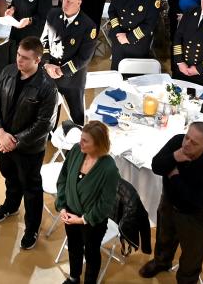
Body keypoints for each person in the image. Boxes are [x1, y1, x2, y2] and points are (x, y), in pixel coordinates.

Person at [0, 36, 57, 251]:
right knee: (10, 177)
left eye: (25, 58)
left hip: (28, 149)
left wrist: (15, 140)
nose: (19, 61)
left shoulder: (47, 88)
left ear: (38, 60)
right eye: (18, 55)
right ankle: (11, 206)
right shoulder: (8, 72)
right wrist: (0, 133)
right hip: (2, 140)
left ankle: (31, 228)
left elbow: (44, 125)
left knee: (32, 189)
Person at [140, 122, 203, 283]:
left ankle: (187, 279)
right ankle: (161, 263)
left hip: (195, 215)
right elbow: (156, 165)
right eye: (187, 137)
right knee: (164, 237)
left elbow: (197, 201)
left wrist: (175, 177)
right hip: (169, 203)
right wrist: (174, 157)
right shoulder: (177, 142)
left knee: (192, 253)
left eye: (194, 142)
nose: (186, 143)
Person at [56, 121, 121, 284]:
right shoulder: (77, 151)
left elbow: (106, 203)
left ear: (98, 144)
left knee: (91, 253)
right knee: (73, 247)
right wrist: (62, 205)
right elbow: (63, 178)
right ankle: (74, 277)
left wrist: (83, 219)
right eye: (81, 138)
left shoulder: (109, 168)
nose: (80, 143)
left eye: (85, 141)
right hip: (70, 213)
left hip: (92, 222)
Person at [108, 0, 161, 70]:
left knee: (133, 76)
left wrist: (128, 38)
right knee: (116, 72)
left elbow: (149, 25)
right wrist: (118, 32)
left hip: (137, 43)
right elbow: (112, 10)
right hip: (118, 39)